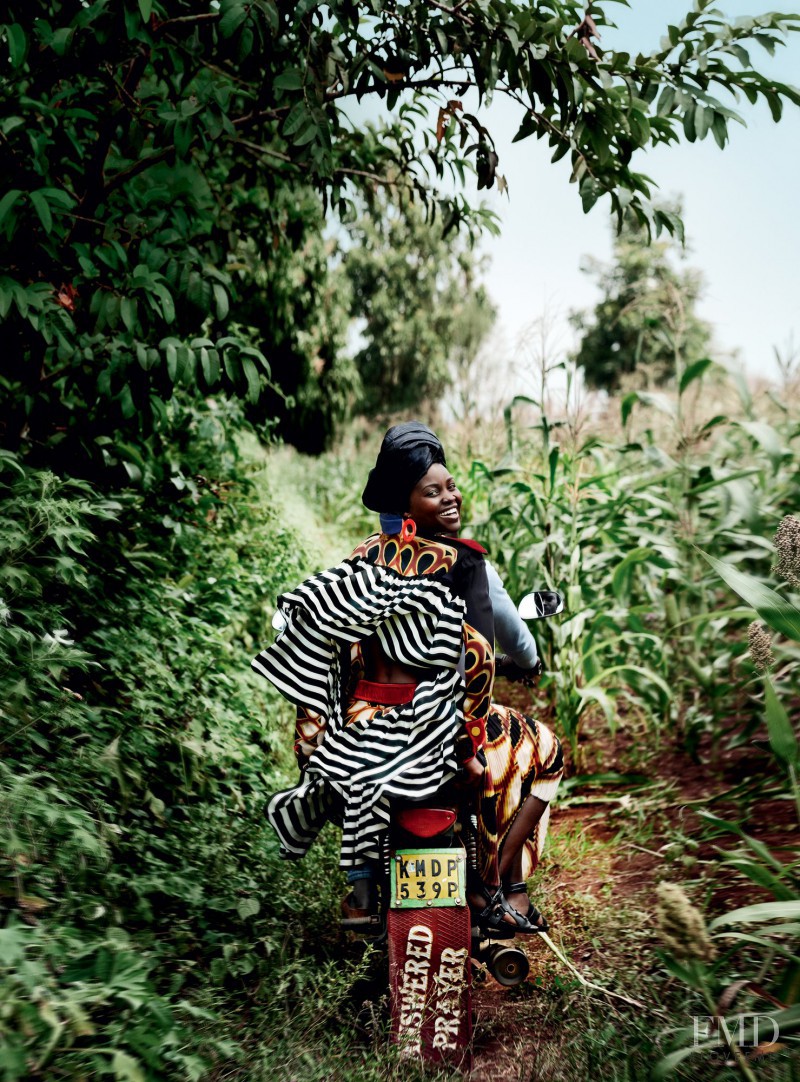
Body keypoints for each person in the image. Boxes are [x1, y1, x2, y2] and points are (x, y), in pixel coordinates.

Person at [252, 422, 563, 934]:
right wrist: (470, 749)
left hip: (361, 728)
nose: (450, 497)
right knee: (544, 751)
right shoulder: (469, 565)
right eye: (433, 490)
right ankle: (499, 890)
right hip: (439, 732)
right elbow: (479, 664)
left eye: (450, 486)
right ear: (407, 500)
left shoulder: (361, 560)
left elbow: (331, 647)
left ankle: (362, 888)